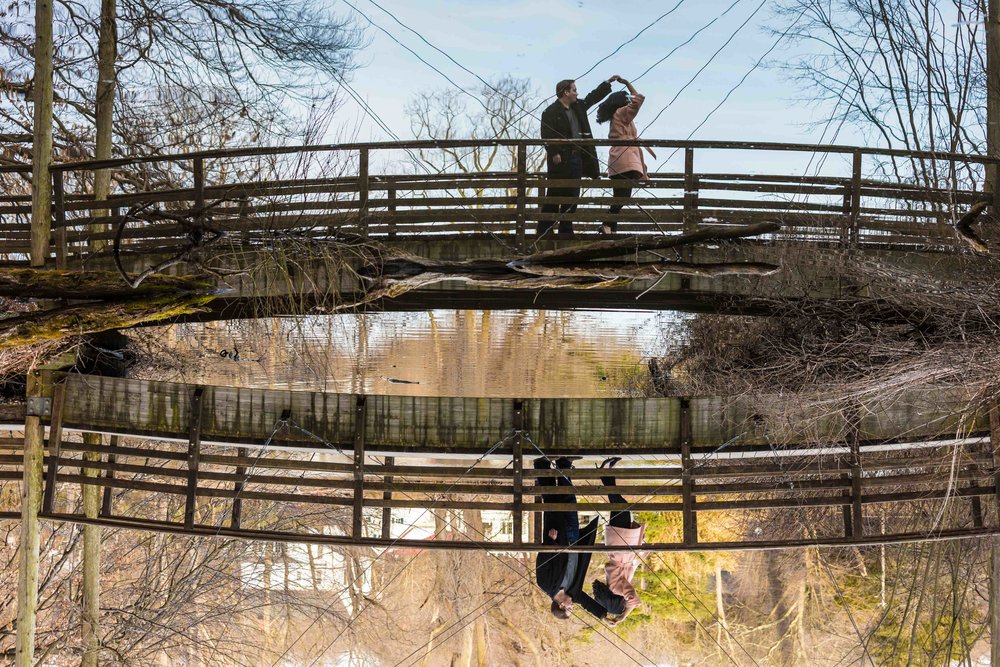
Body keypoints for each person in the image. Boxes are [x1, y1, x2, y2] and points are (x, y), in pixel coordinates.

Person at [533, 456, 618, 620]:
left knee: (551, 500)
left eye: (569, 609)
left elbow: (542, 561)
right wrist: (604, 617)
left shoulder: (546, 585)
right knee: (569, 500)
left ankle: (541, 465)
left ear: (561, 605)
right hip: (574, 538)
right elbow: (588, 603)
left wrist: (551, 542)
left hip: (557, 536)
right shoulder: (574, 592)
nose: (572, 607)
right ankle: (563, 464)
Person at [538, 76, 619, 237]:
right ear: (566, 92)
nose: (577, 93)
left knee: (573, 194)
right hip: (560, 160)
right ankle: (545, 229)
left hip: (577, 157)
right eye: (574, 90)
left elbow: (592, 97)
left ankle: (565, 229)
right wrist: (554, 153)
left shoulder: (579, 107)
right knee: (554, 193)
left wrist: (607, 83)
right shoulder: (550, 112)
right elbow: (546, 134)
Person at [595, 78, 656, 235]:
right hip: (625, 158)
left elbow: (636, 101)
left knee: (619, 196)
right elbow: (638, 100)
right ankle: (607, 224)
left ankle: (610, 228)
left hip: (619, 159)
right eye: (626, 99)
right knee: (623, 197)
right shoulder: (621, 113)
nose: (630, 100)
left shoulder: (617, 116)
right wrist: (627, 83)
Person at [598, 456, 646, 625]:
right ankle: (606, 472)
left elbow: (634, 599)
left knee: (620, 506)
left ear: (619, 602)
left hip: (621, 544)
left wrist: (623, 616)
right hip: (620, 545)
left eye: (624, 605)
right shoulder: (615, 588)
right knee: (617, 505)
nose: (627, 603)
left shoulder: (617, 590)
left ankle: (604, 473)